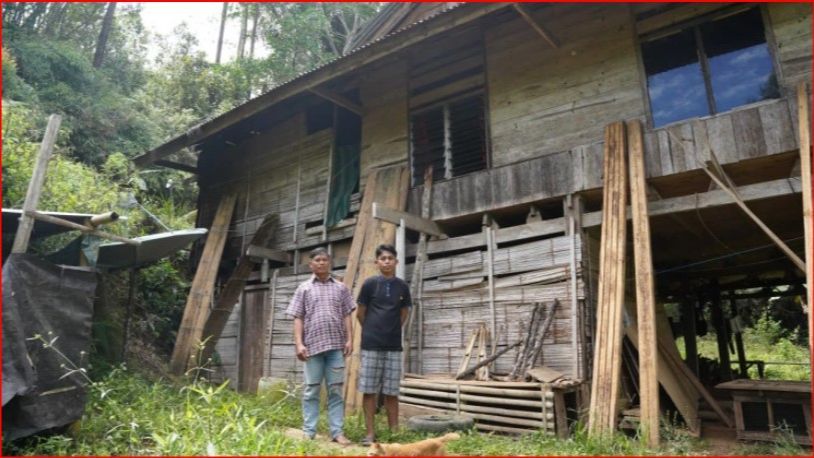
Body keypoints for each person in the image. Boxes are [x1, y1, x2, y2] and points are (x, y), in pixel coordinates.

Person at [286, 247, 354, 445]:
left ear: (329, 262)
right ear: (311, 264)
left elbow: (347, 315)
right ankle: (309, 432)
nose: (322, 263)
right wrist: (299, 344)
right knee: (311, 390)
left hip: (336, 347)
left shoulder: (341, 288)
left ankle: (337, 432)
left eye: (325, 260)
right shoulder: (304, 288)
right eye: (318, 260)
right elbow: (298, 317)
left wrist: (350, 339)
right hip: (312, 348)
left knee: (335, 391)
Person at [356, 244, 412, 446]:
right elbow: (360, 313)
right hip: (371, 345)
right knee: (369, 390)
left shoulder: (402, 286)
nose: (387, 261)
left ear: (396, 262)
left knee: (391, 391)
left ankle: (394, 433)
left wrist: (392, 330)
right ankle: (370, 434)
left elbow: (404, 312)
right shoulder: (370, 284)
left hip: (393, 346)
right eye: (383, 258)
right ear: (377, 262)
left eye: (390, 258)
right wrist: (371, 330)